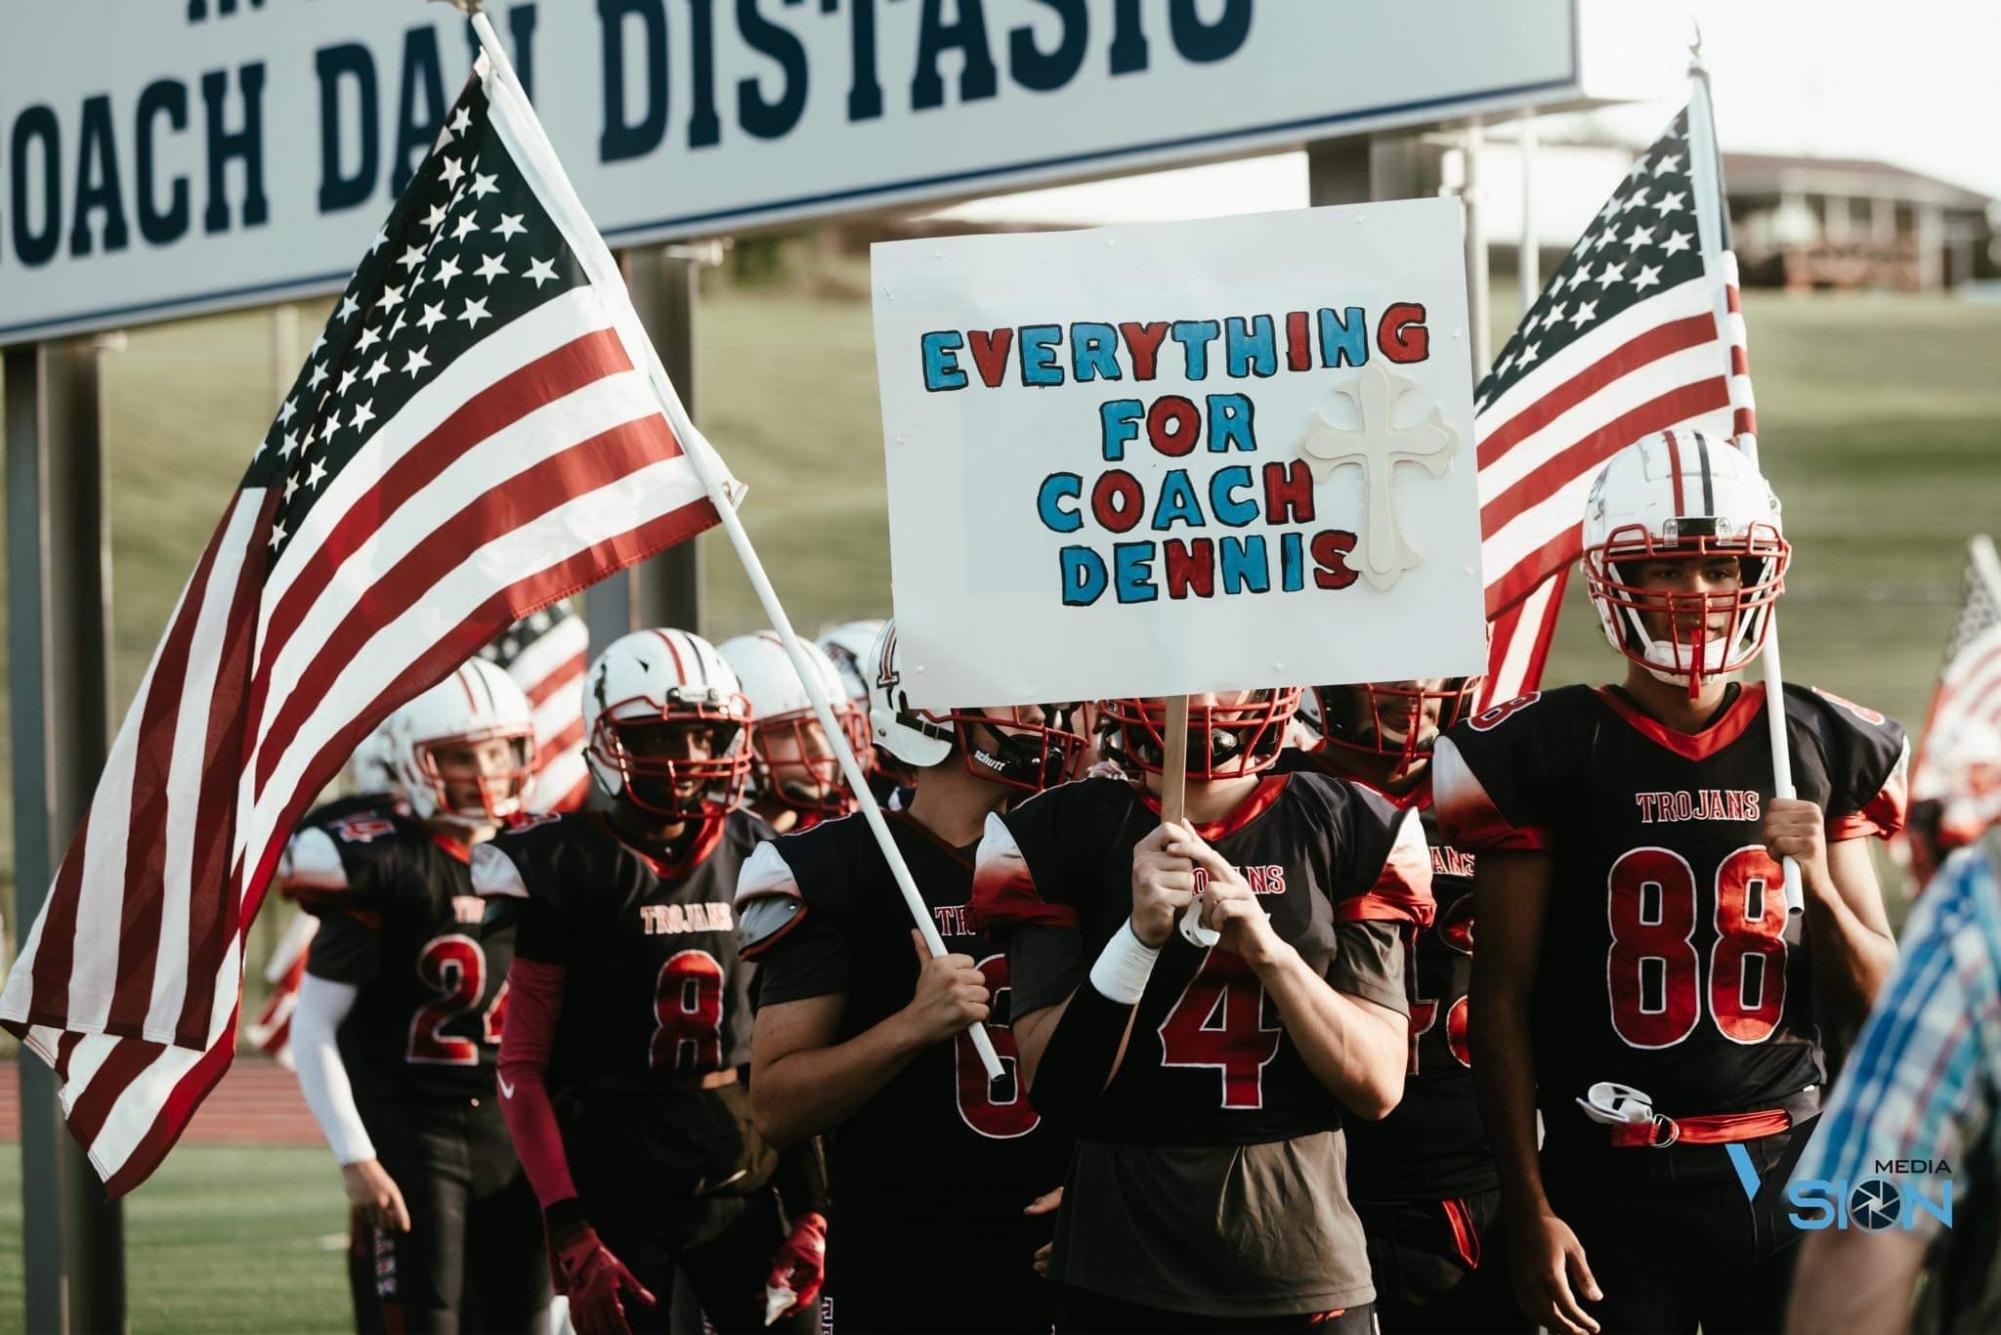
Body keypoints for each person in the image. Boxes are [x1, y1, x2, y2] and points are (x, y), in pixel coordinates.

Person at [1437, 430, 1909, 1335]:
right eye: (1665, 568)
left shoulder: (1813, 739)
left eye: (1721, 566)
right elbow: (1500, 1002)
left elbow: (1880, 990)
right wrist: (1528, 1205)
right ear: (1615, 579)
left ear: (1757, 574)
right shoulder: (1544, 749)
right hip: (1610, 1174)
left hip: (1787, 1166)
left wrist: (1815, 872)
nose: (1696, 592)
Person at [973, 686, 1433, 1332]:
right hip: (1119, 1256)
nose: (1204, 691)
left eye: (1228, 670)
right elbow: (1056, 1083)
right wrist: (1137, 939)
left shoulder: (1356, 822)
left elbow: (1377, 1085)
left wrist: (1270, 953)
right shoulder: (1048, 830)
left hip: (1298, 1257)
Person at [473, 629, 826, 1335]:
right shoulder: (566, 863)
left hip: (744, 1178)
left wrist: (814, 1207)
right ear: (608, 740)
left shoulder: (758, 853)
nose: (689, 759)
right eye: (662, 739)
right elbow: (521, 1064)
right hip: (614, 1191)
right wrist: (569, 1224)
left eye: (704, 735)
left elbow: (782, 1056)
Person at [736, 619, 1084, 1333]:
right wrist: (910, 1026)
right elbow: (776, 1106)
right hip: (900, 1261)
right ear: (930, 710)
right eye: (1011, 695)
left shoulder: (1083, 845)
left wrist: (1103, 1190)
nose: (1040, 713)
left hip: (1065, 1249)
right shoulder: (839, 867)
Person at [282, 659, 549, 1333]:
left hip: (512, 1130)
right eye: (459, 755)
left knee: (524, 1318)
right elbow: (311, 1024)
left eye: (496, 750)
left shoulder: (539, 854)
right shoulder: (387, 860)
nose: (483, 771)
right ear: (411, 761)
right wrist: (354, 1155)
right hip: (412, 1135)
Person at [1292, 679, 1526, 1332]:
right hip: (1292, 1183)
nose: (1416, 685)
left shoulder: (1500, 790)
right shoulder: (1260, 796)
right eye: (1387, 660)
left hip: (1462, 1179)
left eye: (1429, 660)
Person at [718, 631, 868, 834]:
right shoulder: (724, 848)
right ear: (736, 742)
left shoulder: (853, 822)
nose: (821, 749)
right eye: (787, 731)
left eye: (826, 726)